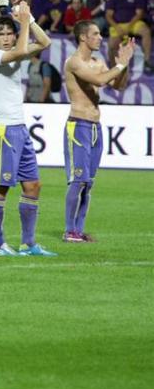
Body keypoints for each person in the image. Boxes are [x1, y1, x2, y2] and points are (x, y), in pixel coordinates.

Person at [0, 4, 57, 257]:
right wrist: (22, 23)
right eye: (0, 34)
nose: (5, 38)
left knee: (33, 185)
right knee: (0, 188)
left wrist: (30, 19)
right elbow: (23, 50)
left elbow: (44, 42)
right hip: (1, 129)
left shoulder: (16, 51)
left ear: (14, 36)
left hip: (20, 129)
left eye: (8, 33)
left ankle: (28, 244)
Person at [62, 20, 133, 243]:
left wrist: (125, 64)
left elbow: (118, 86)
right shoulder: (73, 62)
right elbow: (100, 81)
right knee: (78, 181)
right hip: (78, 126)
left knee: (88, 182)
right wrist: (119, 65)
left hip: (95, 127)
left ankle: (79, 230)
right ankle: (69, 231)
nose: (100, 37)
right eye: (96, 33)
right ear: (83, 37)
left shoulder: (98, 61)